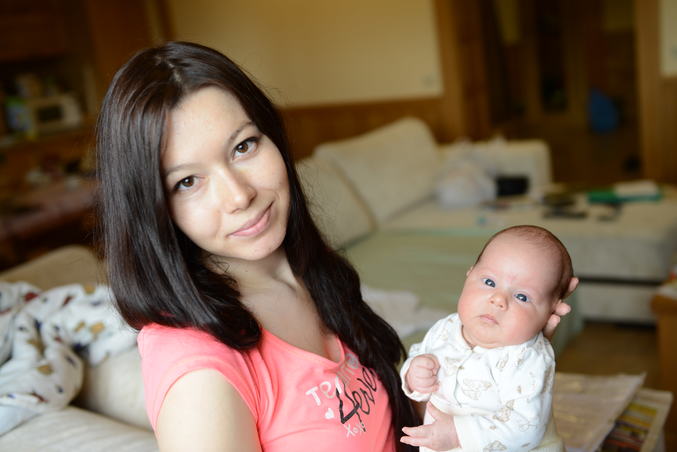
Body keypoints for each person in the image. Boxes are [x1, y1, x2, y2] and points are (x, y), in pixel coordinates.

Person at [96, 41, 570, 451]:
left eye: (243, 147)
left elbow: (394, 425)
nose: (238, 195)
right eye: (188, 181)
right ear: (152, 208)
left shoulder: (311, 274)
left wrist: (499, 359)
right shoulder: (199, 373)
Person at [400, 225, 578, 452]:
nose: (498, 299)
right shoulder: (446, 327)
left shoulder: (528, 358)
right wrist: (415, 375)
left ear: (550, 311)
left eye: (522, 296)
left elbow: (526, 428)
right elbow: (419, 354)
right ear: (469, 274)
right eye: (489, 282)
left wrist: (457, 433)